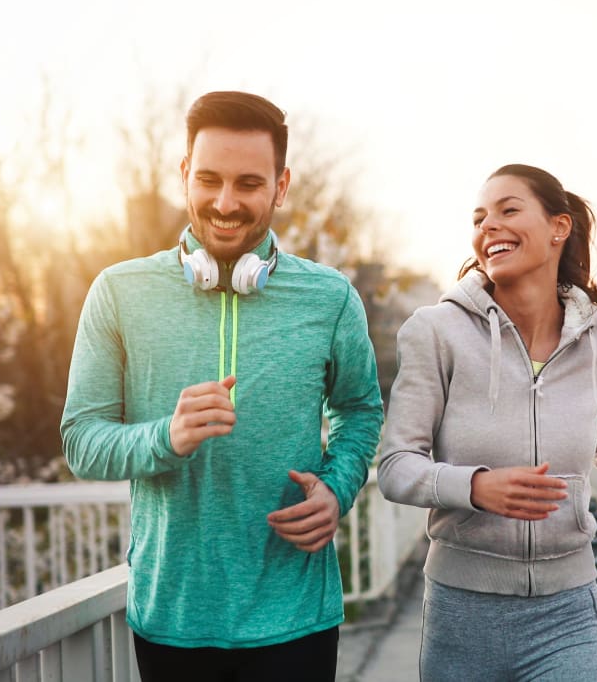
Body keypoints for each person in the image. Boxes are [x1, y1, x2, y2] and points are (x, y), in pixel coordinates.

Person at [60, 90, 384, 682]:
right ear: (184, 175)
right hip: (172, 618)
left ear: (281, 187)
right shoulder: (117, 292)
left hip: (297, 619)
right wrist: (167, 437)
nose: (225, 202)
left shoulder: (332, 297)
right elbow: (82, 439)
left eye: (249, 184)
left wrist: (338, 489)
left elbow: (360, 410)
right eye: (208, 179)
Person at [377, 164, 597, 682]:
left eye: (508, 210)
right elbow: (395, 466)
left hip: (569, 608)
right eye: (479, 218)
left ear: (558, 227)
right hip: (463, 611)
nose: (488, 226)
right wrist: (474, 486)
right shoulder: (435, 331)